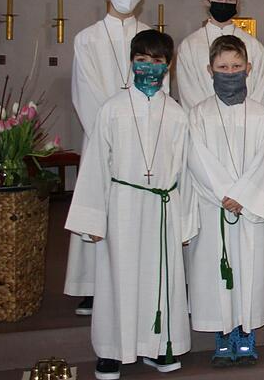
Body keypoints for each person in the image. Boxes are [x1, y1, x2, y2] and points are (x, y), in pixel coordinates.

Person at [65, 30, 193, 380]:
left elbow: (185, 172)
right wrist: (92, 220)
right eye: (142, 59)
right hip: (121, 204)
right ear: (132, 61)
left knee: (160, 277)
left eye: (157, 61)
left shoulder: (178, 114)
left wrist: (184, 222)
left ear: (168, 65)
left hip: (162, 207)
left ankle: (158, 346)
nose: (149, 67)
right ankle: (111, 351)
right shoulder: (112, 109)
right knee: (116, 278)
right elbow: (94, 166)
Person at [65, 0, 152, 316]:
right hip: (102, 138)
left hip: (145, 142)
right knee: (97, 204)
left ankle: (139, 278)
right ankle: (92, 286)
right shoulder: (87, 39)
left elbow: (160, 88)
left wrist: (142, 131)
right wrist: (112, 133)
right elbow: (85, 91)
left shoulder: (149, 37)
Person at [184, 35, 264, 367]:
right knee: (215, 269)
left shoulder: (260, 116)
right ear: (210, 70)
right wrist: (227, 193)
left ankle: (246, 333)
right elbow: (197, 158)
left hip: (247, 209)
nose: (230, 72)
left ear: (248, 68)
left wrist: (242, 197)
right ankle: (222, 335)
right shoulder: (198, 114)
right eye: (223, 67)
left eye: (236, 66)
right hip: (213, 206)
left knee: (248, 268)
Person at [176, 0, 264, 111]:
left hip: (245, 126)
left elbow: (259, 94)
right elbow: (189, 94)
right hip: (204, 125)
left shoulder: (253, 46)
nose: (224, 3)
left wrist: (248, 122)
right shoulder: (189, 46)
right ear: (207, 0)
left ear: (237, 2)